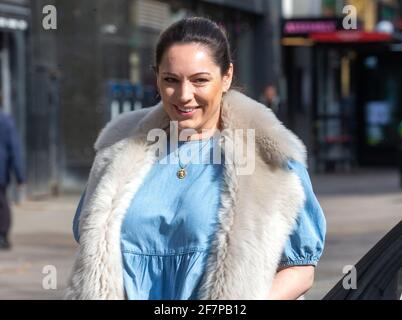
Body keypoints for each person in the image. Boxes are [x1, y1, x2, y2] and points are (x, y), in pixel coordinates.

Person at [65, 17, 326, 300]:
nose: (184, 95)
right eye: (171, 80)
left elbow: (300, 268)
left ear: (226, 77)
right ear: (157, 78)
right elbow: (90, 241)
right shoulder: (119, 150)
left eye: (200, 80)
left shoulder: (268, 157)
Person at [0, 110, 25, 250]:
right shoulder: (6, 121)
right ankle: (2, 236)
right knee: (2, 204)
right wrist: (20, 176)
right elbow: (15, 150)